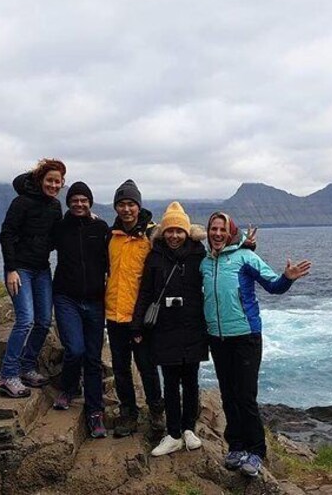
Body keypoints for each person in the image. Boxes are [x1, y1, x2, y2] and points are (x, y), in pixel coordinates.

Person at [201, 212, 311, 477]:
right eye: (213, 229)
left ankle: (257, 451)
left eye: (222, 229)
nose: (217, 233)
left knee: (246, 395)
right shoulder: (204, 262)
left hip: (246, 336)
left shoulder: (246, 258)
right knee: (228, 395)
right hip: (217, 338)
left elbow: (273, 286)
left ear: (230, 233)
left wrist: (288, 277)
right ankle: (236, 447)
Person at [132, 202, 208, 456]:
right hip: (164, 328)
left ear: (187, 232)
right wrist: (138, 325)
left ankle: (189, 430)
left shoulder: (199, 254)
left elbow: (224, 260)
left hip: (192, 326)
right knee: (171, 382)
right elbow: (145, 292)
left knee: (191, 381)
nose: (174, 236)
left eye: (179, 231)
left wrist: (248, 245)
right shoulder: (154, 256)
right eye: (170, 231)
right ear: (163, 232)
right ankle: (173, 433)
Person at [0, 158, 65, 398]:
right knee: (25, 319)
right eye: (50, 180)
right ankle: (8, 375)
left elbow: (58, 236)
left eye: (58, 181)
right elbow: (6, 235)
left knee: (44, 320)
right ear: (40, 179)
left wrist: (87, 219)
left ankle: (26, 367)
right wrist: (11, 269)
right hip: (20, 270)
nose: (54, 185)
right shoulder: (21, 202)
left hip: (42, 269)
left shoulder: (55, 207)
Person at [105, 179, 165, 437]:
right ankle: (128, 412)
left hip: (139, 316)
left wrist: (244, 245)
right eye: (121, 204)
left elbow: (183, 246)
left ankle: (156, 413)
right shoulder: (111, 236)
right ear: (116, 207)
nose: (126, 209)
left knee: (147, 367)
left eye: (131, 204)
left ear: (138, 207)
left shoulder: (152, 236)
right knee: (120, 368)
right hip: (114, 313)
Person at [51, 181, 109, 438]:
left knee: (93, 359)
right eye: (74, 199)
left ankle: (95, 413)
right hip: (66, 298)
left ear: (90, 203)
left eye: (84, 200)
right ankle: (69, 387)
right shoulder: (60, 228)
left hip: (96, 300)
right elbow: (36, 244)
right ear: (69, 203)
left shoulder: (101, 228)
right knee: (75, 349)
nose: (79, 203)